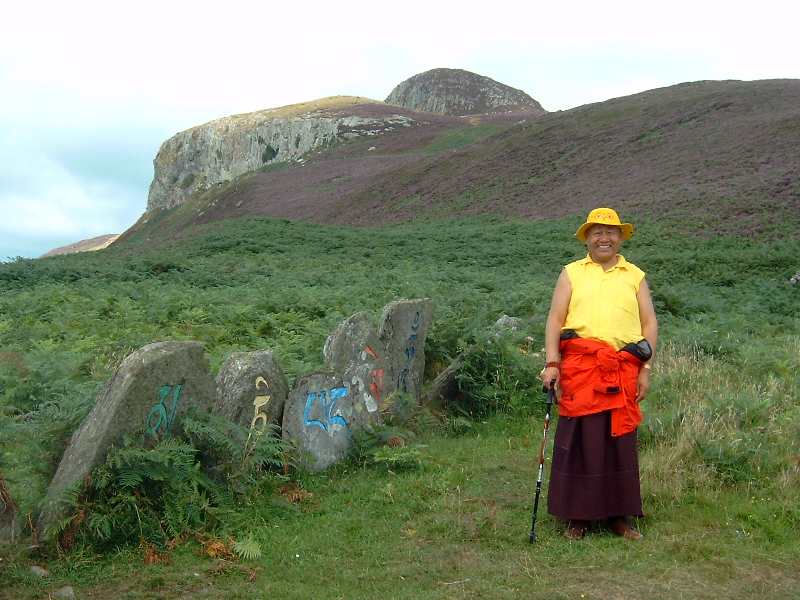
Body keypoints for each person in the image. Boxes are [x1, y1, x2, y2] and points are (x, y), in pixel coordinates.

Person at [540, 207, 658, 541]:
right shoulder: (571, 273)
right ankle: (578, 517)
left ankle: (618, 517)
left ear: (620, 238)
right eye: (597, 232)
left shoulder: (634, 275)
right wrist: (552, 363)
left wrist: (645, 368)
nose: (603, 238)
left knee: (618, 443)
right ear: (587, 238)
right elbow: (555, 318)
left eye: (610, 232)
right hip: (580, 368)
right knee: (580, 441)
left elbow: (649, 324)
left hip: (624, 368)